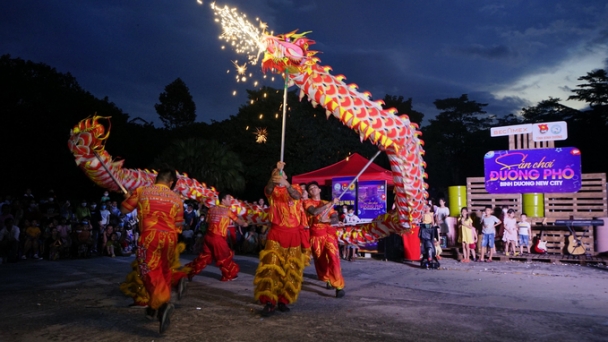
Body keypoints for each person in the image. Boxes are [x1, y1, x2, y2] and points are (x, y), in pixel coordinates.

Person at [121, 168, 187, 334]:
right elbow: (179, 223)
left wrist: (127, 199)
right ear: (171, 182)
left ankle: (163, 303)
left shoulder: (142, 191)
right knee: (163, 272)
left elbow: (124, 210)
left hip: (150, 237)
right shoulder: (177, 198)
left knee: (148, 271)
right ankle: (153, 308)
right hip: (170, 239)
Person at [254, 162, 306, 317]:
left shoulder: (295, 188)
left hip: (293, 234)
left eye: (281, 172)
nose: (278, 174)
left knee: (291, 268)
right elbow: (269, 189)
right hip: (276, 233)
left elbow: (296, 196)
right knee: (271, 266)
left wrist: (286, 183)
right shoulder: (272, 190)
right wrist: (274, 176)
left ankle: (284, 300)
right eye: (275, 173)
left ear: (287, 176)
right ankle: (270, 302)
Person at [184, 192, 248, 282]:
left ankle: (188, 271)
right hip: (218, 239)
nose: (231, 200)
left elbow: (207, 222)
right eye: (229, 198)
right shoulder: (227, 211)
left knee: (204, 257)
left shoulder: (211, 209)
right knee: (225, 257)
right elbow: (238, 221)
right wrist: (245, 224)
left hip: (208, 237)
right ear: (223, 200)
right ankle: (228, 275)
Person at [305, 181, 346, 297]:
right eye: (310, 189)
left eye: (315, 187)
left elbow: (335, 219)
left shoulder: (327, 203)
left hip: (329, 234)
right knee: (321, 261)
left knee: (334, 258)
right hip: (316, 236)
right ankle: (328, 278)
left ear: (319, 190)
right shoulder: (307, 203)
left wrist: (327, 220)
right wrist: (331, 203)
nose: (313, 189)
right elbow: (314, 212)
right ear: (309, 193)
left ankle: (339, 286)